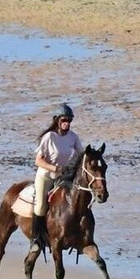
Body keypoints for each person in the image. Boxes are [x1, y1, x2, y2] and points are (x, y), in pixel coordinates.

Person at [31, 103, 83, 250]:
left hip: (64, 177)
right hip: (46, 176)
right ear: (57, 121)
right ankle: (35, 240)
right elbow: (38, 160)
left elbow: (81, 154)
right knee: (41, 205)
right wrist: (54, 168)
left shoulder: (73, 137)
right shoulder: (49, 137)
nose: (67, 123)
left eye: (69, 120)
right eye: (64, 120)